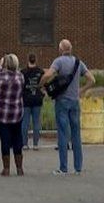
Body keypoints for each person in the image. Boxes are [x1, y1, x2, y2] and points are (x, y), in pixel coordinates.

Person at [40, 39, 96, 175]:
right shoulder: (79, 62)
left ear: (61, 50)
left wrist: (41, 85)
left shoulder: (58, 61)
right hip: (75, 102)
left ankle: (63, 168)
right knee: (76, 135)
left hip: (62, 101)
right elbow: (92, 80)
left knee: (63, 134)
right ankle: (78, 168)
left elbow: (48, 74)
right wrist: (81, 91)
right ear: (70, 49)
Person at [0, 54, 24, 176]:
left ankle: (6, 169)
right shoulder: (20, 77)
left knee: (5, 140)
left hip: (1, 114)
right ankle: (20, 168)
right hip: (16, 113)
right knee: (17, 139)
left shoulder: (0, 77)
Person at [20, 53, 45, 150]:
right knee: (36, 122)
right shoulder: (40, 71)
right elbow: (43, 85)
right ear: (36, 60)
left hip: (26, 99)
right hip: (37, 99)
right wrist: (42, 94)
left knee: (25, 122)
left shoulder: (23, 72)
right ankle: (35, 144)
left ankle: (25, 144)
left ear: (28, 60)